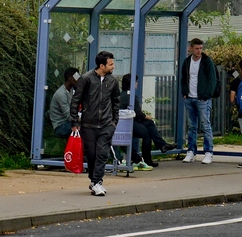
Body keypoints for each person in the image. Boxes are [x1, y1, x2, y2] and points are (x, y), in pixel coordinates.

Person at [70, 52, 119, 197]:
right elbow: (76, 100)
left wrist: (114, 122)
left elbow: (116, 101)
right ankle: (94, 180)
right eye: (110, 64)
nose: (113, 66)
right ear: (101, 65)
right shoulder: (86, 79)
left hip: (106, 123)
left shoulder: (113, 81)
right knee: (91, 154)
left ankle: (97, 182)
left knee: (102, 153)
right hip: (88, 124)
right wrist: (74, 121)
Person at [120, 74, 176, 169]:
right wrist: (146, 116)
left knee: (149, 124)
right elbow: (138, 114)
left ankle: (162, 145)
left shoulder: (123, 94)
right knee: (146, 132)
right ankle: (149, 157)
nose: (137, 84)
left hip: (125, 122)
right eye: (136, 82)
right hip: (128, 123)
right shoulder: (131, 96)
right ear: (132, 83)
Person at [179, 38, 217, 164]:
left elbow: (212, 80)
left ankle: (208, 152)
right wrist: (184, 92)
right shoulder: (187, 62)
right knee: (191, 126)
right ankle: (191, 151)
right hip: (189, 97)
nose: (199, 51)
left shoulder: (207, 62)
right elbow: (183, 78)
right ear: (191, 48)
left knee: (205, 125)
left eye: (201, 48)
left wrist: (206, 95)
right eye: (196, 48)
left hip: (202, 99)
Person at [48, 67, 79, 140]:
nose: (78, 80)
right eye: (77, 77)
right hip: (60, 126)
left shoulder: (70, 89)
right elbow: (69, 116)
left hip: (67, 123)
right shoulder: (61, 94)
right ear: (70, 78)